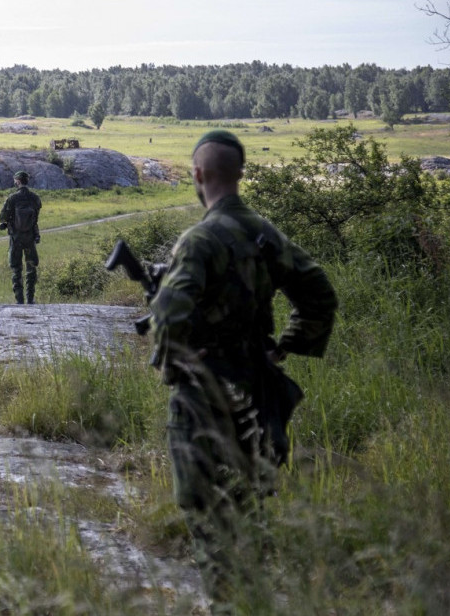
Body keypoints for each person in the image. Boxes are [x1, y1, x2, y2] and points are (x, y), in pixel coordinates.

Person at [148, 130, 338, 614]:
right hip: (257, 385)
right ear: (240, 173)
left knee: (206, 508)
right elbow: (318, 294)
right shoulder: (266, 234)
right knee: (247, 503)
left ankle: (226, 603)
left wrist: (174, 369)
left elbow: (169, 314)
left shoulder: (200, 239)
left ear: (197, 175)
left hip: (206, 392)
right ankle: (249, 596)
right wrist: (286, 348)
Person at [0, 170, 42, 304]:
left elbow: (2, 217)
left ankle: (19, 300)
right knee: (31, 268)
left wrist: (7, 222)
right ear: (27, 181)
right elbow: (36, 215)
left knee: (16, 268)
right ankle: (30, 298)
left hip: (16, 238)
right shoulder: (35, 198)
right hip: (30, 237)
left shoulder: (12, 198)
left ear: (17, 181)